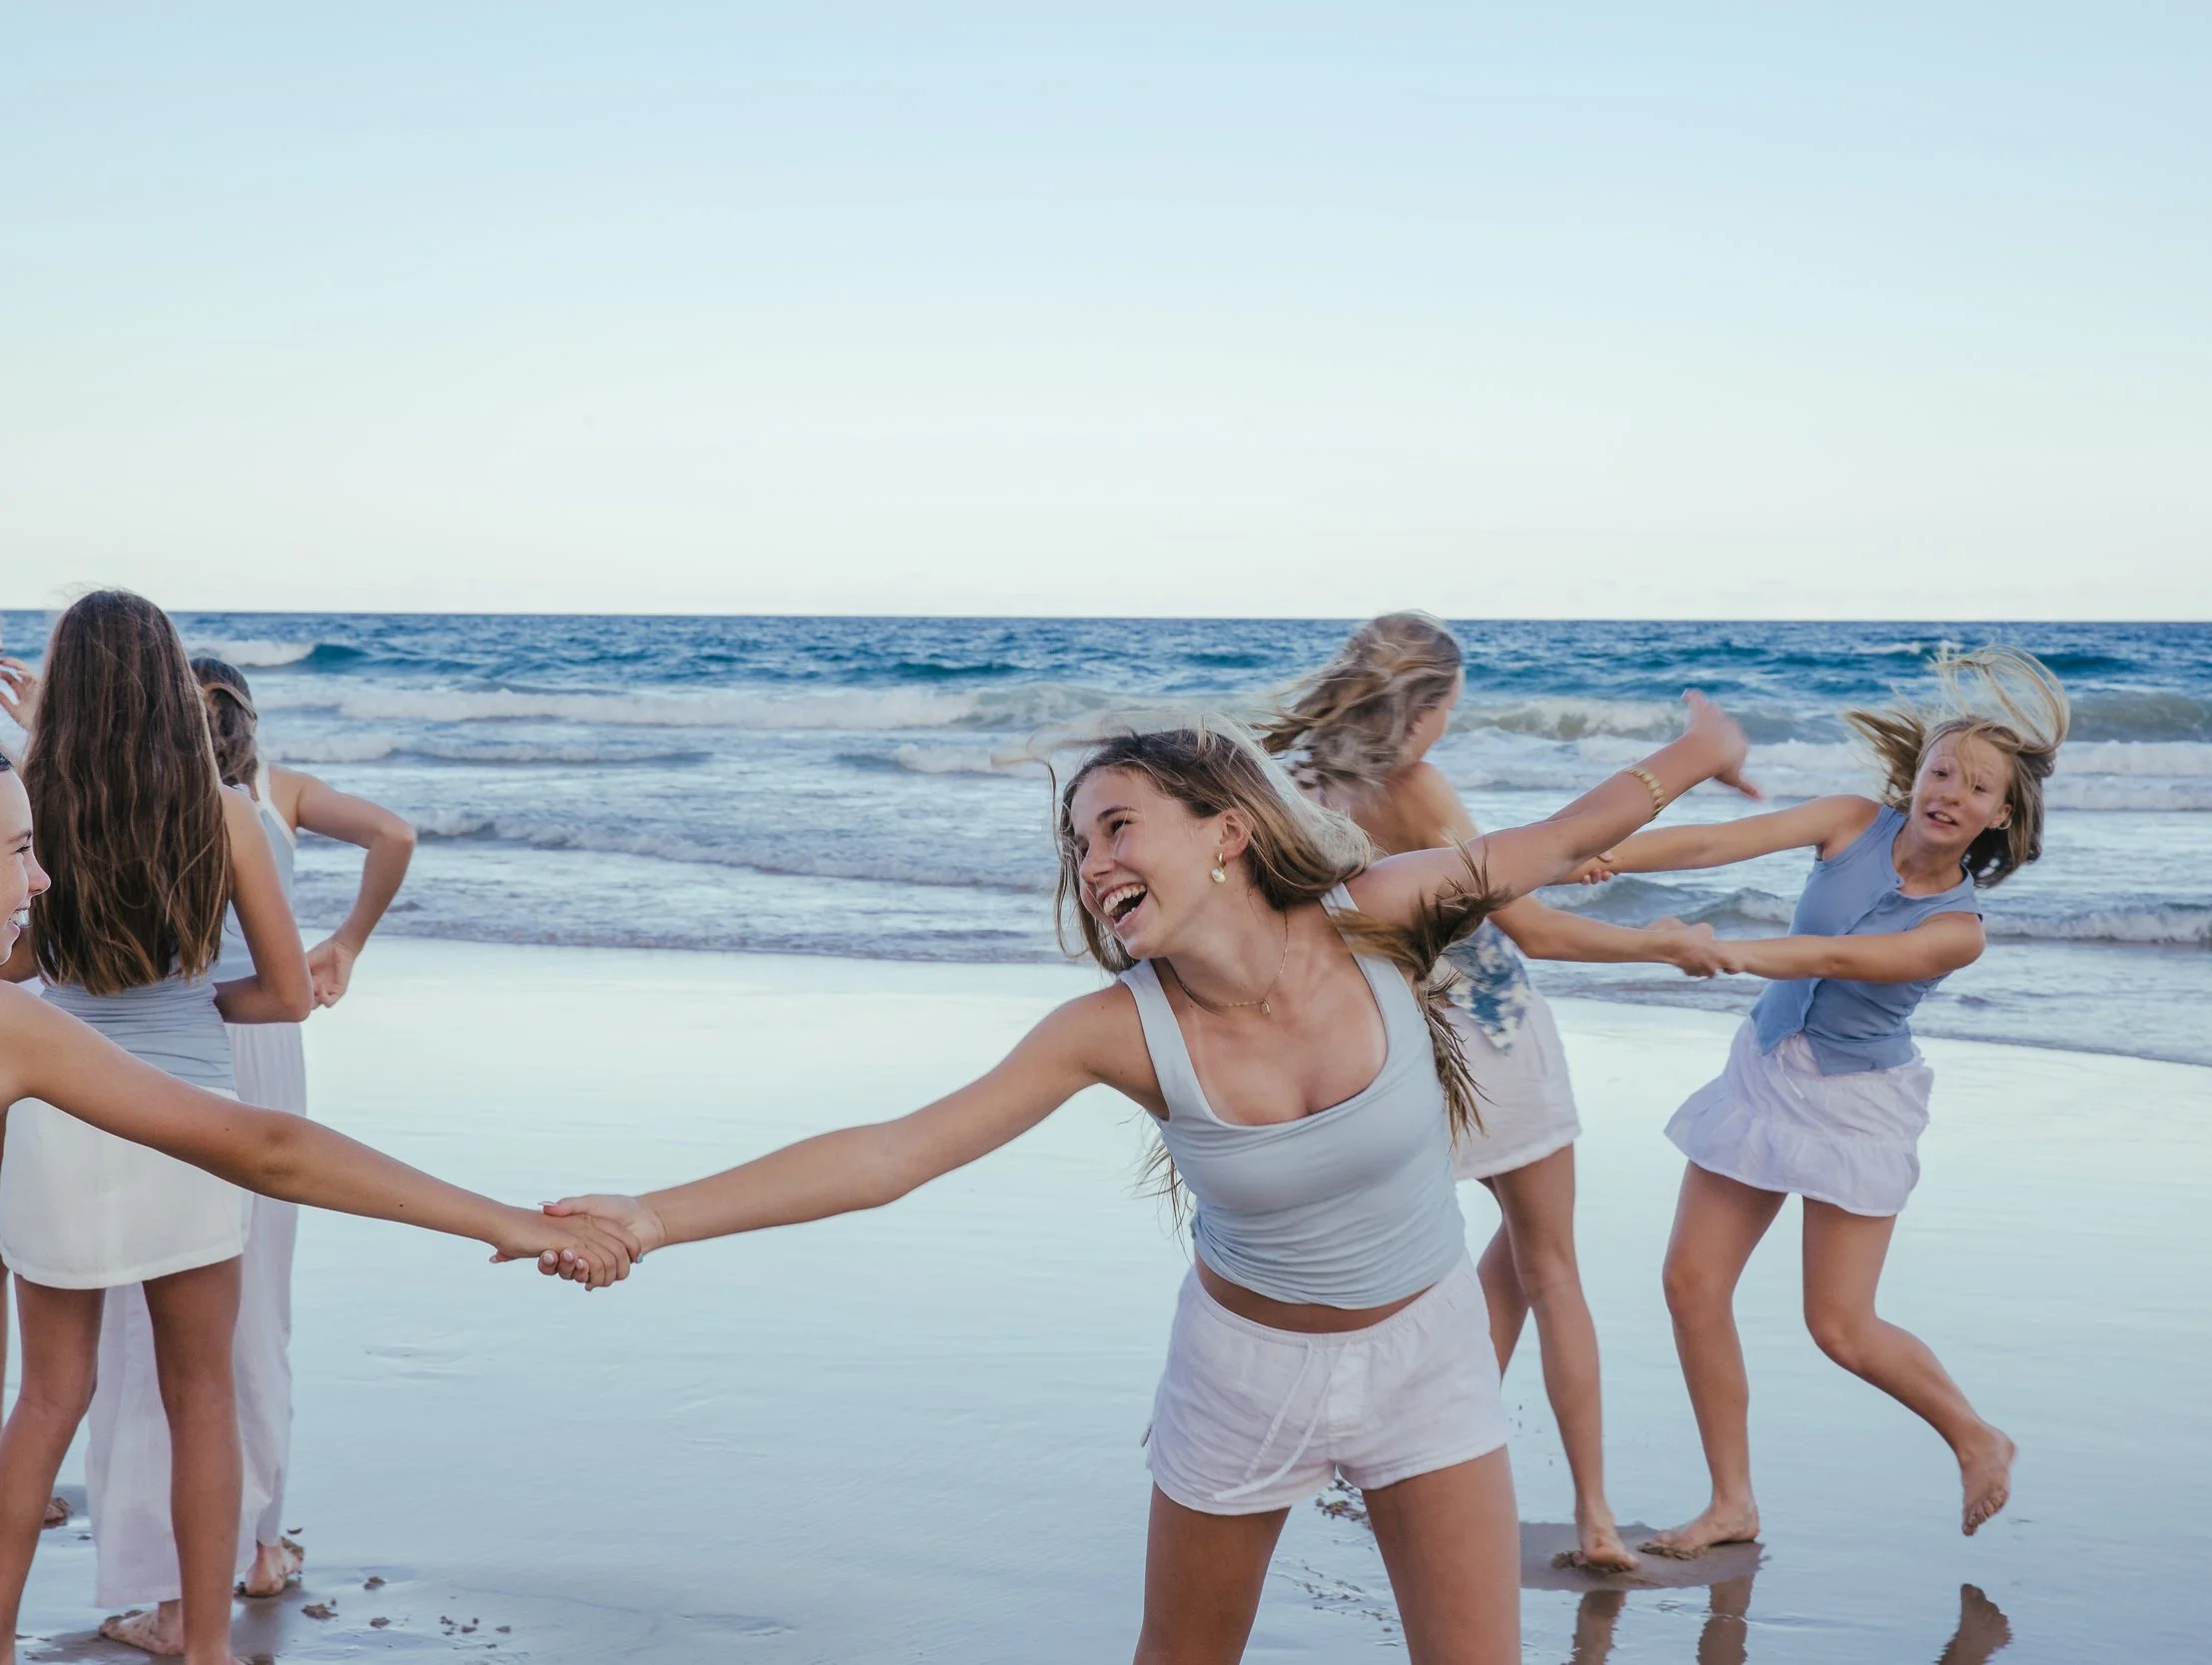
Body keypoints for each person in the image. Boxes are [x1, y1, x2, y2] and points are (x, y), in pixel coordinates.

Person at [538, 705, 1753, 1665]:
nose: (1091, 862)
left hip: (1428, 1356)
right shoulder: (1113, 1029)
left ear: (1225, 829)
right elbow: (895, 1151)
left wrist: (1698, 751)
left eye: (1116, 825)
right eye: (1076, 846)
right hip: (1245, 1375)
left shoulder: (1378, 916)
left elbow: (1572, 827)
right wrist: (652, 1217)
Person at [0, 745, 628, 1665]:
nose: (43, 874)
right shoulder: (21, 1026)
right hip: (191, 1121)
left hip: (103, 1146)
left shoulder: (27, 1027)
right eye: (19, 848)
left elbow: (271, 1149)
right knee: (197, 1384)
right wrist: (508, 1221)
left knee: (54, 1393)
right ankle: (207, 1639)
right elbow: (272, 1145)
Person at [1261, 612, 1735, 1572]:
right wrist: (1663, 941)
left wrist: (1551, 854)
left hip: (1393, 1050)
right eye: (1447, 709)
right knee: (1551, 1269)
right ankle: (1595, 1517)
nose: (1445, 729)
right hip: (1499, 1046)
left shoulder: (1300, 783)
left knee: (1472, 1275)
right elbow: (1537, 931)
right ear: (1423, 706)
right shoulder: (1418, 786)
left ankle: (1397, 1471)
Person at [1585, 649, 2067, 1556]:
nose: (1949, 793)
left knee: (1841, 1326)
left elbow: (1838, 961)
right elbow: (1710, 844)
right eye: (1940, 771)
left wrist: (1722, 949)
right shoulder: (1851, 822)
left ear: (1999, 814)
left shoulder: (1957, 931)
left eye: (1975, 787)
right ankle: (1732, 1502)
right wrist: (1600, 854)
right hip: (1766, 1068)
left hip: (1855, 1105)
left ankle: (1976, 1435)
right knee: (1690, 1284)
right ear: (1916, 774)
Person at [88, 654, 417, 1602]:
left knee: (153, 1324)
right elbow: (396, 832)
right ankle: (261, 1545)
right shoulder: (275, 792)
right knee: (257, 1310)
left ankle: (163, 1572)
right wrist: (346, 941)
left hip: (183, 1041)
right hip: (271, 1053)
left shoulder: (152, 794)